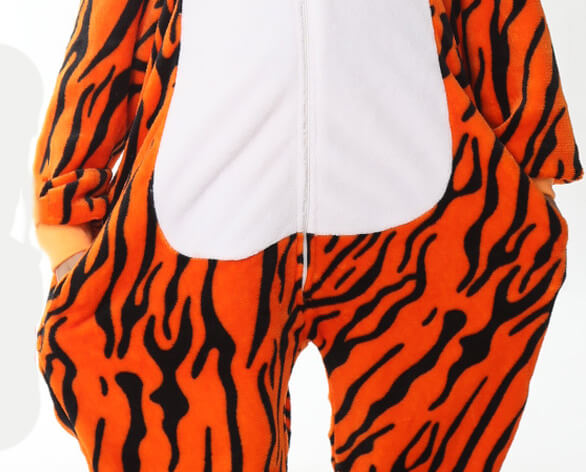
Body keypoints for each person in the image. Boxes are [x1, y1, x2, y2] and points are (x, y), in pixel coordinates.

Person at [32, 0, 583, 470]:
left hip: (424, 233)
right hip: (197, 236)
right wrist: (66, 216)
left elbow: (498, 12)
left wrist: (537, 163)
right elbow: (108, 29)